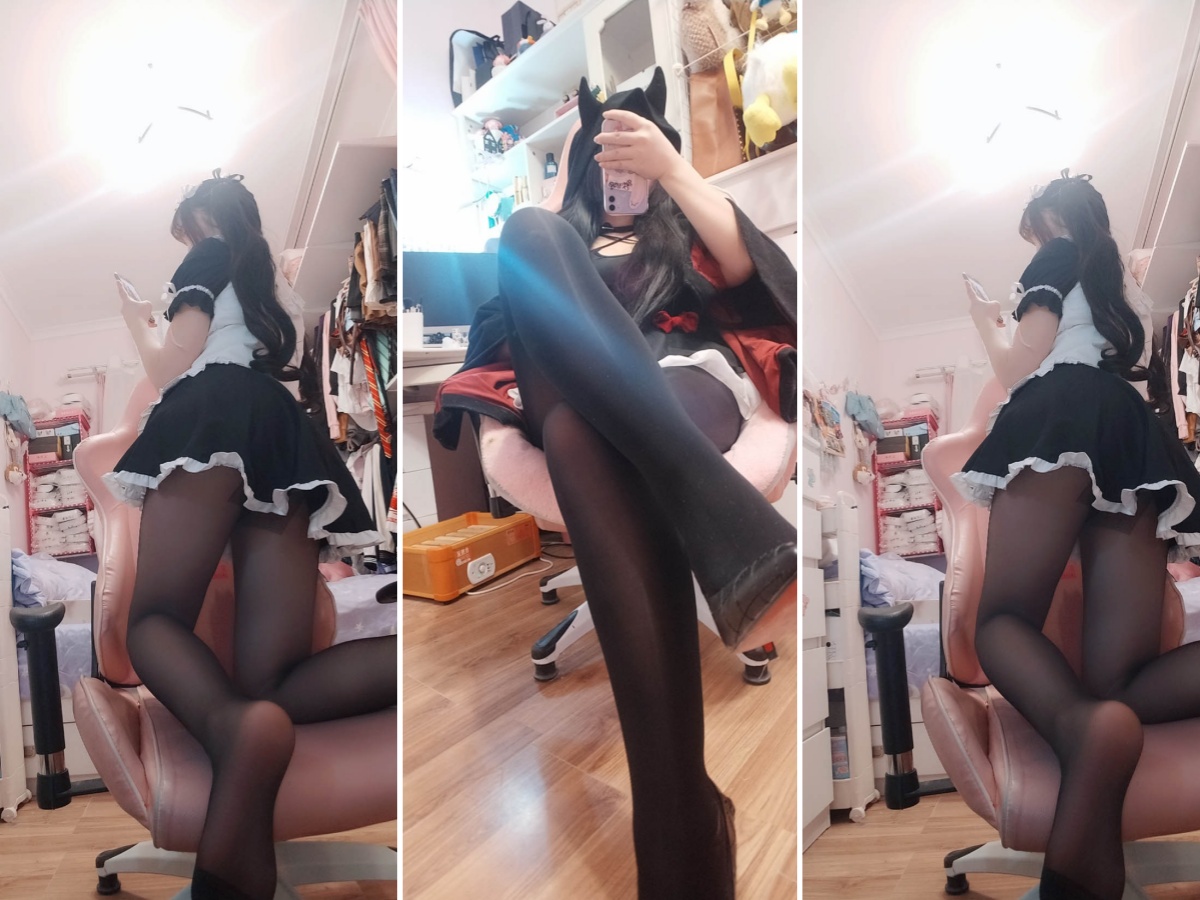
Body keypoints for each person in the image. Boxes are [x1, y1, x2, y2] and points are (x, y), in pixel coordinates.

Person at [434, 68, 797, 899]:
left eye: (634, 156)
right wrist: (562, 183)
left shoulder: (686, 230)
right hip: (573, 393)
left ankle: (675, 820)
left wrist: (674, 168)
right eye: (604, 158)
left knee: (578, 435)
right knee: (528, 233)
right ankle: (728, 526)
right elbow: (505, 328)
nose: (618, 171)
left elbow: (758, 276)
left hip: (683, 384)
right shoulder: (561, 234)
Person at [102, 172, 397, 900]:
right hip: (280, 431)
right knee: (275, 679)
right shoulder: (277, 289)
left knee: (155, 620)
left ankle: (232, 728)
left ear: (204, 218)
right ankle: (402, 665)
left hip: (211, 414)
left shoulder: (210, 254)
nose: (186, 241)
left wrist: (137, 319)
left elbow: (171, 367)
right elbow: (277, 368)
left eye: (186, 229)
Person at [953, 170, 1200, 900]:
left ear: (1052, 218)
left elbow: (1017, 367)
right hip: (1130, 430)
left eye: (1034, 228)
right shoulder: (1125, 286)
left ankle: (1079, 728)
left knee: (1002, 620)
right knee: (1119, 680)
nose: (1033, 239)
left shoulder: (1059, 254)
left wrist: (984, 317)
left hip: (1059, 414)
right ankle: (1101, 717)